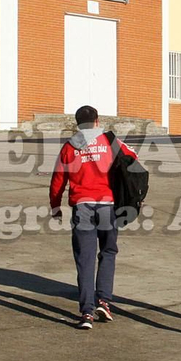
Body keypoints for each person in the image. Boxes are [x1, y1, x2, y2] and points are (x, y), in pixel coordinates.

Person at [49, 104, 138, 329]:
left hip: (82, 207)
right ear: (97, 121)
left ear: (77, 124)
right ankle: (104, 301)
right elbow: (133, 157)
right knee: (108, 252)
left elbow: (58, 178)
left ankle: (86, 312)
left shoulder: (69, 147)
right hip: (108, 205)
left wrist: (55, 206)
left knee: (85, 259)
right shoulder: (109, 141)